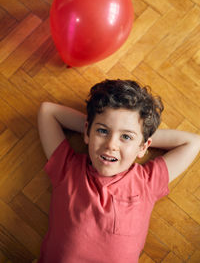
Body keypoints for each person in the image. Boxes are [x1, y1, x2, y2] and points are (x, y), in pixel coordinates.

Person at [37, 79, 200, 263]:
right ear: (87, 131)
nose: (111, 145)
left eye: (125, 137)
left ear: (143, 146)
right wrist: (93, 129)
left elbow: (193, 143)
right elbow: (47, 112)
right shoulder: (67, 168)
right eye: (103, 132)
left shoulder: (147, 182)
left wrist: (140, 137)